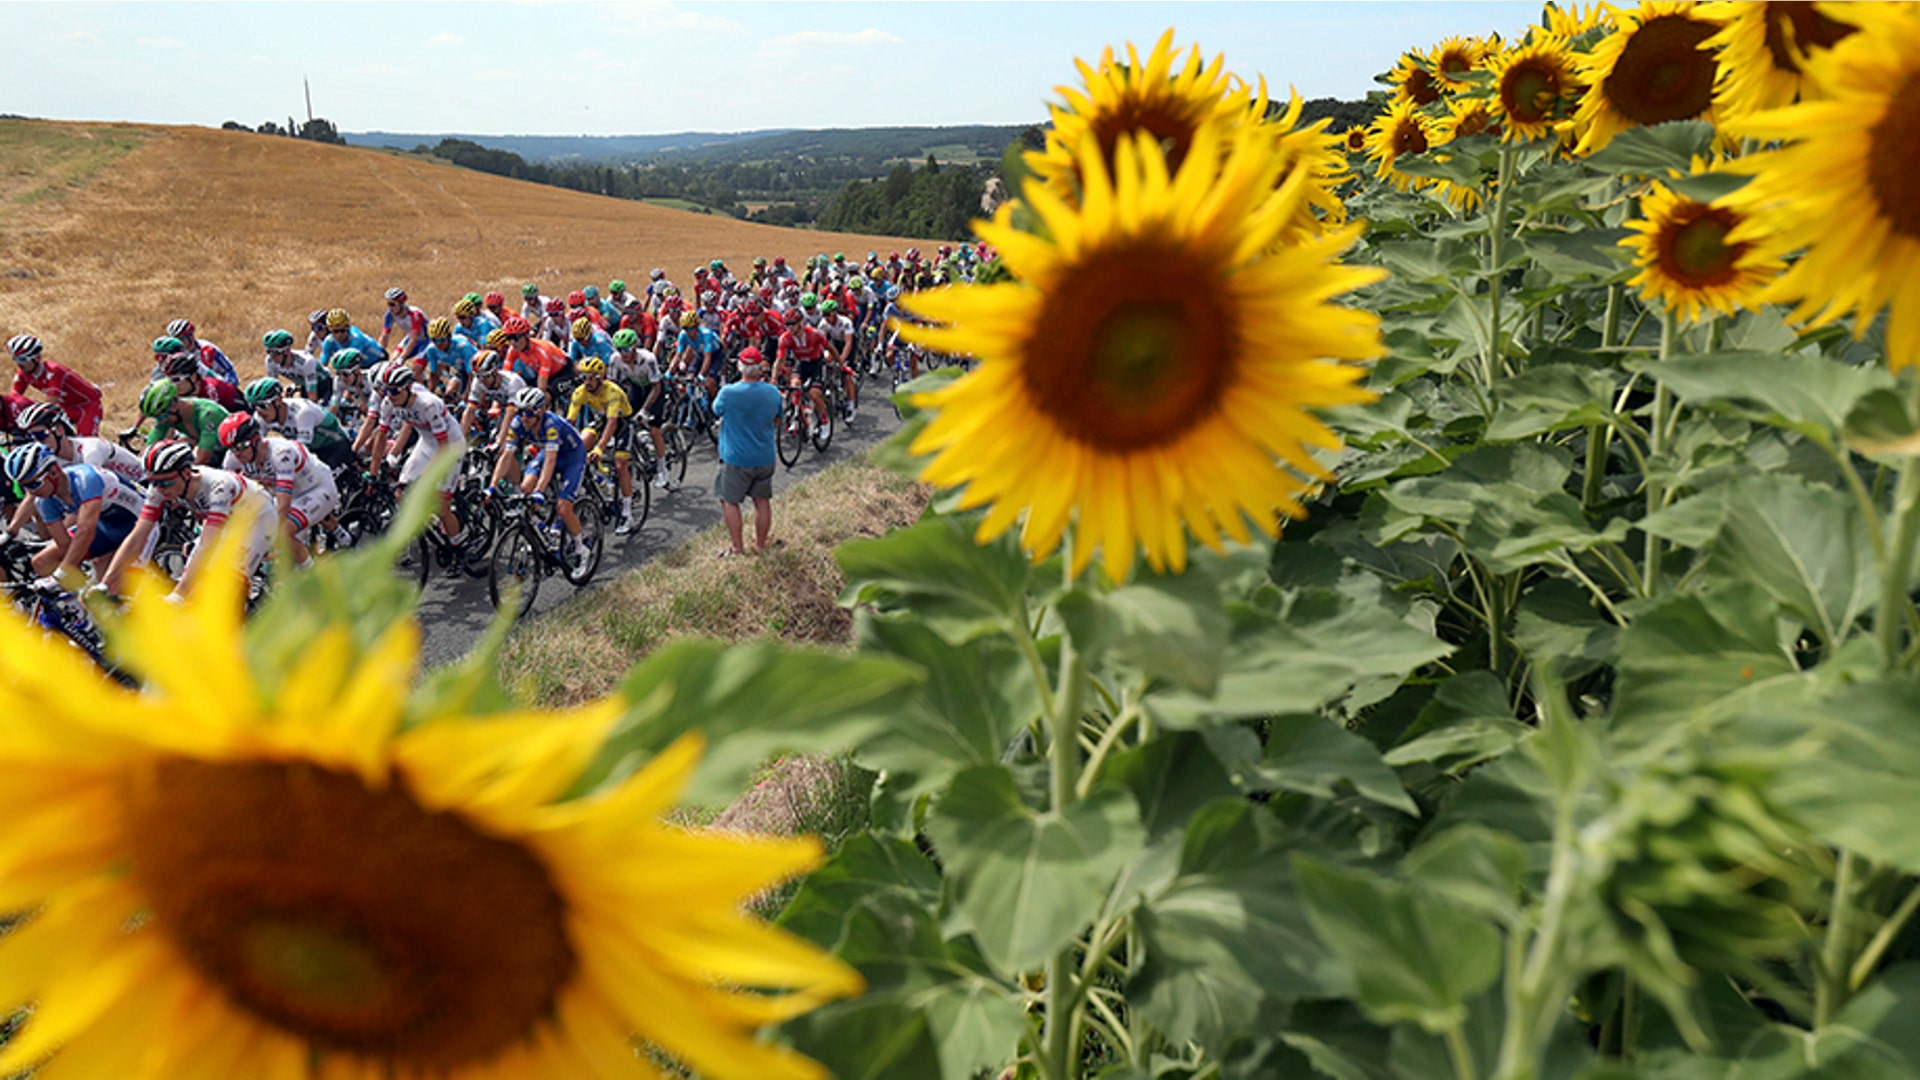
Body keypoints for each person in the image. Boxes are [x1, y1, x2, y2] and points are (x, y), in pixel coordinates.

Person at [105, 439, 277, 602]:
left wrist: (179, 595)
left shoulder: (218, 486)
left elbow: (207, 545)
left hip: (257, 519)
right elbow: (137, 537)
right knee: (195, 584)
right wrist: (105, 583)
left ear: (187, 473)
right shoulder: (160, 487)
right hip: (226, 521)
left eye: (165, 483)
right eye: (153, 482)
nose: (159, 489)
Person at [4, 442, 144, 590]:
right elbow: (65, 546)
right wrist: (79, 585)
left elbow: (85, 532)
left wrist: (60, 574)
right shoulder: (43, 502)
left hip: (139, 522)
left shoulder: (86, 479)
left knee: (110, 585)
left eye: (34, 484)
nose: (31, 492)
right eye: (24, 487)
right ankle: (78, 610)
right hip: (107, 526)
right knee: (42, 561)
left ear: (53, 472)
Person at [218, 412, 343, 567]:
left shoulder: (281, 453)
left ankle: (313, 578)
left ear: (256, 440)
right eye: (231, 449)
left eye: (241, 447)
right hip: (294, 495)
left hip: (318, 488)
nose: (237, 454)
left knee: (281, 534)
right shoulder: (233, 460)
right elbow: (224, 496)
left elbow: (284, 503)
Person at [492, 386, 591, 567]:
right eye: (521, 412)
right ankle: (543, 530)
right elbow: (507, 456)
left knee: (563, 508)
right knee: (523, 491)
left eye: (529, 413)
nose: (524, 418)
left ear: (541, 411)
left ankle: (581, 548)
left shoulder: (551, 424)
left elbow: (551, 461)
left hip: (572, 457)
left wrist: (540, 491)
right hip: (548, 453)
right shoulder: (518, 423)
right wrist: (491, 487)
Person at [711, 348, 781, 558]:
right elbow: (778, 419)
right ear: (761, 368)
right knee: (762, 501)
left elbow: (716, 410)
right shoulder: (772, 392)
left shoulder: (729, 393)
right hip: (764, 456)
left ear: (739, 366)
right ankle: (760, 545)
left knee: (729, 501)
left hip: (736, 458)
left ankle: (737, 548)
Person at [565, 357, 639, 534]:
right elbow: (569, 422)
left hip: (622, 422)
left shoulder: (611, 390)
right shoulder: (580, 392)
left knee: (621, 465)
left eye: (591, 378)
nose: (587, 382)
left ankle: (627, 513)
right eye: (584, 378)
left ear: (600, 377)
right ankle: (601, 479)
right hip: (601, 419)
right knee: (582, 445)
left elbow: (612, 423)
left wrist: (600, 448)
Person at [7, 334, 103, 436]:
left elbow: (50, 403)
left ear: (37, 358)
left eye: (22, 360)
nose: (19, 364)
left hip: (87, 406)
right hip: (66, 407)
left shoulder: (54, 371)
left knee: (85, 445)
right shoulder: (22, 374)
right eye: (15, 359)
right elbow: (13, 400)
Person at [138, 379, 230, 465]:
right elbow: (148, 450)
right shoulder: (169, 416)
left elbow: (202, 459)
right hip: (217, 451)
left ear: (173, 405)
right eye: (156, 418)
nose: (162, 421)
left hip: (235, 452)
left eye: (161, 416)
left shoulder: (207, 415)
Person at [261, 328, 331, 403]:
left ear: (287, 351)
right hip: (304, 385)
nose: (272, 356)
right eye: (269, 351)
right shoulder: (270, 361)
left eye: (276, 352)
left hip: (324, 384)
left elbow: (313, 398)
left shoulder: (306, 362)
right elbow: (273, 391)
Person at [165, 319, 239, 386]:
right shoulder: (172, 354)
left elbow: (229, 371)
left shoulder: (208, 348)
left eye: (190, 335)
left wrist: (226, 388)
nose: (189, 341)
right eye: (181, 339)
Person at [380, 287, 431, 360]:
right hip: (410, 337)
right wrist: (380, 353)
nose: (389, 308)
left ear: (401, 304)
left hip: (426, 340)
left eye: (392, 304)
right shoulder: (389, 314)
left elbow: (413, 340)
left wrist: (401, 358)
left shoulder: (415, 315)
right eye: (388, 304)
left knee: (417, 367)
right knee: (393, 359)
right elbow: (384, 336)